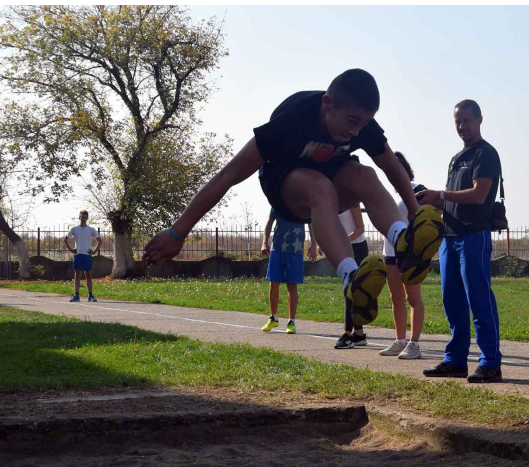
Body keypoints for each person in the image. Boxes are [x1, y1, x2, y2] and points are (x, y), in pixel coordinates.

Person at [142, 69, 444, 329]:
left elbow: (391, 166)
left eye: (363, 125)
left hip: (332, 174)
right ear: (328, 103)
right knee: (320, 187)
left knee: (366, 175)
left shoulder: (360, 121)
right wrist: (177, 232)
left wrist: (416, 213)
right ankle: (352, 278)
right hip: (285, 184)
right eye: (351, 121)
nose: (355, 131)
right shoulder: (291, 121)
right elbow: (226, 176)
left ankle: (403, 240)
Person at [418, 99, 503, 383]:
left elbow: (479, 195)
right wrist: (428, 201)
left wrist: (440, 195)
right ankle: (455, 360)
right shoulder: (457, 158)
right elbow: (450, 200)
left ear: (480, 119)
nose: (462, 126)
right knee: (451, 300)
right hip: (449, 236)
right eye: (457, 121)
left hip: (473, 236)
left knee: (479, 299)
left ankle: (490, 361)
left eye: (467, 120)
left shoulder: (486, 154)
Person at [379, 152, 426, 360]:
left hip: (410, 253)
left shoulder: (418, 189)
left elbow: (431, 217)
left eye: (396, 167)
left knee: (412, 298)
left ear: (404, 168)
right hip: (389, 252)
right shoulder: (391, 195)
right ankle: (400, 341)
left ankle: (414, 344)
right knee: (395, 297)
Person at [261, 210, 315, 335]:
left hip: (296, 250)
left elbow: (311, 223)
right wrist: (265, 242)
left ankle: (291, 322)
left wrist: (313, 243)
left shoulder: (301, 203)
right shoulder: (277, 201)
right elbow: (269, 223)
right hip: (277, 248)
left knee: (292, 285)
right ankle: (273, 318)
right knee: (274, 282)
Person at [334, 204, 371, 348]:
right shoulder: (333, 200)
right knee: (350, 291)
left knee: (350, 290)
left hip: (358, 248)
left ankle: (348, 335)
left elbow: (360, 228)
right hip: (344, 247)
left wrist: (343, 241)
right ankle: (359, 335)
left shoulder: (352, 201)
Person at [64, 210, 102, 302]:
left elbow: (100, 241)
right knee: (77, 275)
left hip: (87, 255)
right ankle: (76, 295)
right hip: (78, 255)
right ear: (79, 217)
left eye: (85, 217)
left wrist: (94, 252)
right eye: (82, 217)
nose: (83, 219)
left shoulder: (91, 229)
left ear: (87, 218)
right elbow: (65, 239)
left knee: (89, 275)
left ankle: (90, 295)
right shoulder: (74, 229)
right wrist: (71, 249)